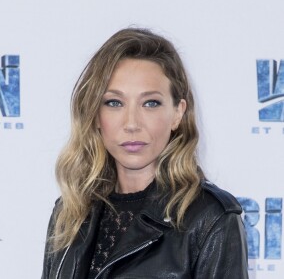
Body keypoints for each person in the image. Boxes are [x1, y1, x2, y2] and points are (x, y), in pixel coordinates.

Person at [42, 28, 249, 279]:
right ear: (95, 115)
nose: (131, 124)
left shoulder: (210, 218)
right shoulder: (72, 210)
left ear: (177, 113)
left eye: (150, 103)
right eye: (114, 103)